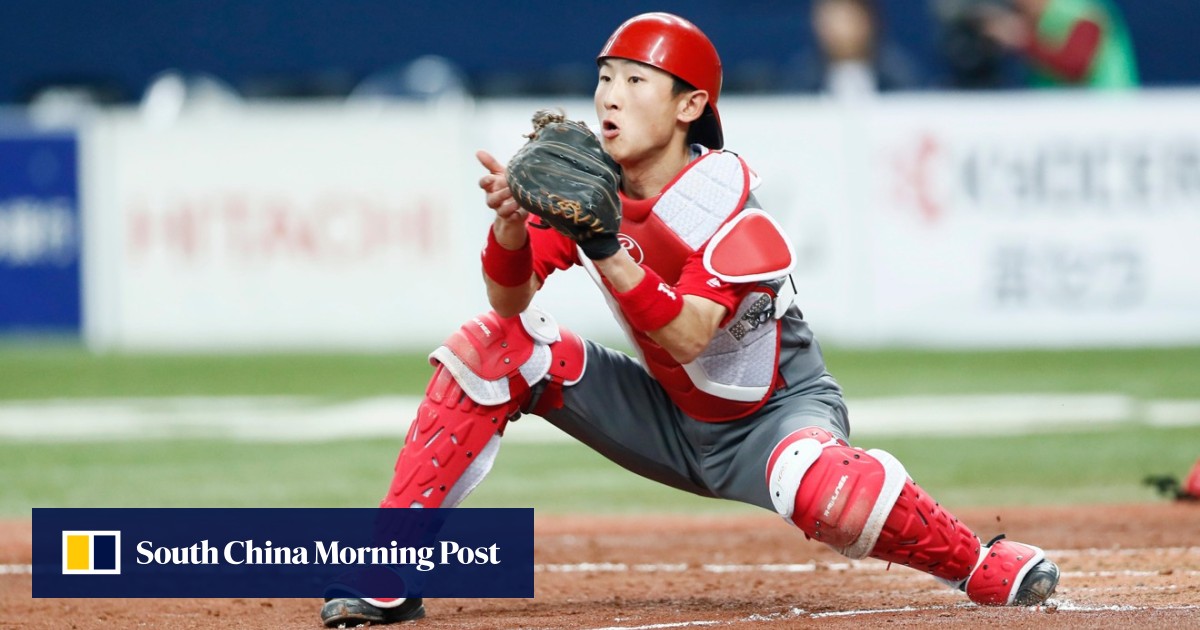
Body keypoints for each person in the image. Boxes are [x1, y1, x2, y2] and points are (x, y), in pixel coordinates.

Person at [319, 12, 1060, 627]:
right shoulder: (591, 187)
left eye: (634, 80)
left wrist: (603, 244)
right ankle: (389, 572)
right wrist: (511, 230)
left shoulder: (729, 211)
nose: (609, 94)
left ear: (689, 105)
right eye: (605, 77)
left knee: (831, 489)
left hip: (775, 419)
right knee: (488, 349)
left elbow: (688, 334)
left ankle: (977, 563)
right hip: (672, 414)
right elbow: (508, 305)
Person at [980, 0, 1138, 89]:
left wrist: (1021, 40)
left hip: (1105, 122)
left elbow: (1076, 65)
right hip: (1062, 124)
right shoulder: (1035, 20)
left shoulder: (1082, 13)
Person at [783, 0, 922, 97]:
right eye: (830, 19)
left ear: (868, 21)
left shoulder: (896, 76)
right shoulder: (804, 78)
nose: (839, 30)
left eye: (846, 19)